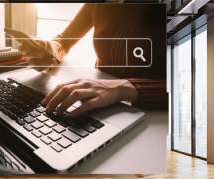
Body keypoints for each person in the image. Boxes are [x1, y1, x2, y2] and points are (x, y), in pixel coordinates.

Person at [17, 3, 167, 117]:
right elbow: (65, 39)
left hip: (157, 114)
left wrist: (123, 88)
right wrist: (51, 49)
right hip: (98, 100)